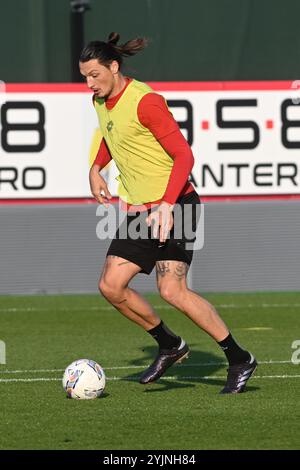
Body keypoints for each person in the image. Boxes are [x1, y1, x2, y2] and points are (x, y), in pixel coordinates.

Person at [79, 32, 257, 393]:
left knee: (172, 289)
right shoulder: (100, 100)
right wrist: (96, 168)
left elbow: (184, 156)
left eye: (95, 74)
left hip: (176, 205)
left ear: (114, 67)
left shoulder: (146, 102)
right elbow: (113, 140)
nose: (89, 82)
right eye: (84, 76)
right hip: (140, 209)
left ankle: (239, 358)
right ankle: (169, 344)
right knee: (110, 286)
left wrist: (165, 204)